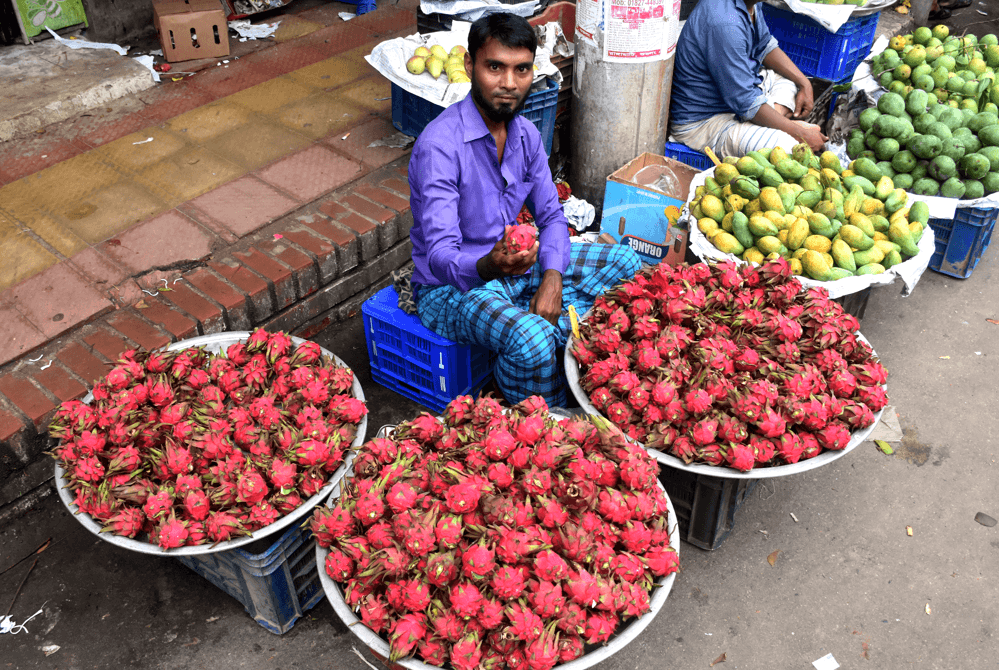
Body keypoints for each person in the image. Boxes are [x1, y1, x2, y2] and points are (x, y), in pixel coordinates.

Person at [407, 13, 642, 407]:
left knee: (626, 261)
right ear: (469, 65)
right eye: (494, 67)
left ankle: (542, 322)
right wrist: (489, 267)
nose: (509, 84)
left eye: (522, 69)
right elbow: (441, 254)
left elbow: (551, 216)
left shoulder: (527, 135)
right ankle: (536, 404)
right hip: (452, 289)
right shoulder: (440, 147)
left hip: (516, 266)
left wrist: (551, 277)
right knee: (532, 339)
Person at [669, 0, 827, 158]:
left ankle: (772, 123)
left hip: (736, 102)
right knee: (789, 149)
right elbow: (746, 102)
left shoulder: (751, 4)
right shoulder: (725, 23)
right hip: (703, 123)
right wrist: (800, 134)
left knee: (791, 83)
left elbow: (764, 45)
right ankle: (777, 125)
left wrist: (805, 84)